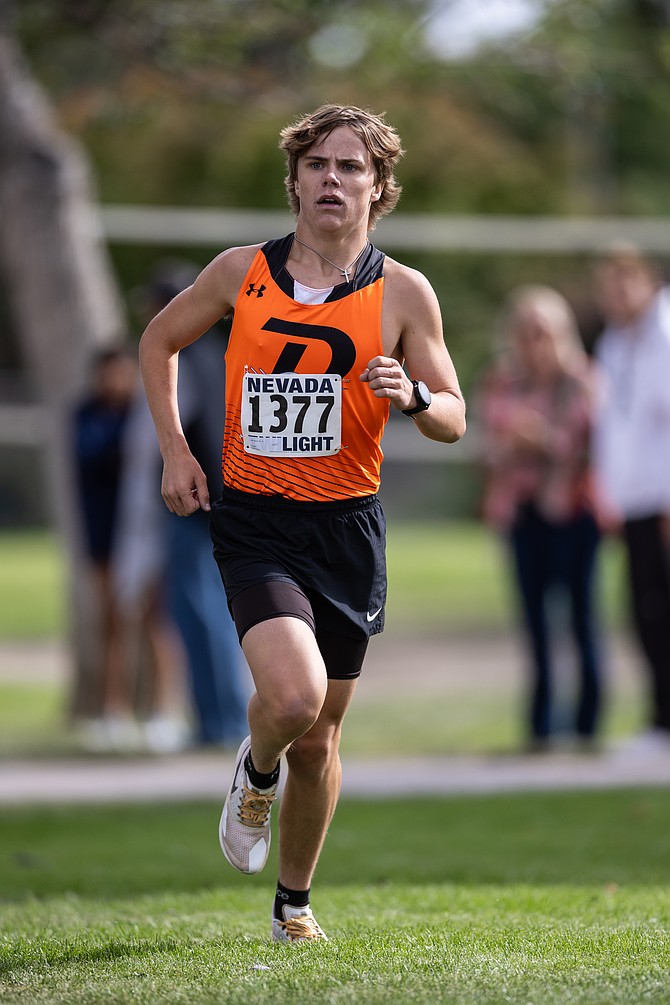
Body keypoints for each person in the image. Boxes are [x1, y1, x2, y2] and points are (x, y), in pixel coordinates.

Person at [138, 103, 466, 942]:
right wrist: (177, 451)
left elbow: (454, 416)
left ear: (378, 188)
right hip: (255, 521)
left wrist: (416, 395)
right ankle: (254, 772)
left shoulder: (404, 293)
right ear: (293, 182)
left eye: (351, 167)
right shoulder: (239, 271)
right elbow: (157, 342)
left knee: (320, 740)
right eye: (318, 163)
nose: (332, 178)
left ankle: (293, 905)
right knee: (292, 697)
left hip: (347, 530)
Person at [116, 264, 251, 749]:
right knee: (221, 609)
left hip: (193, 504)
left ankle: (221, 721)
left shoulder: (179, 360)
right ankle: (225, 717)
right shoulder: (224, 354)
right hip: (234, 496)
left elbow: (152, 441)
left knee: (198, 609)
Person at [476, 285, 603, 751]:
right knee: (535, 624)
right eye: (525, 332)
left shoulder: (583, 379)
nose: (533, 342)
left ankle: (588, 727)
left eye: (542, 332)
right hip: (523, 512)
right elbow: (488, 442)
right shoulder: (502, 380)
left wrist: (541, 439)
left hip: (573, 511)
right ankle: (541, 728)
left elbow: (590, 447)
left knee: (581, 618)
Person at [73, 345, 183, 752]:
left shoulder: (143, 415)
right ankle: (111, 711)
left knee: (158, 622)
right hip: (106, 537)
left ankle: (162, 711)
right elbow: (94, 461)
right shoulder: (88, 416)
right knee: (112, 623)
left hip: (147, 530)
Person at [592, 244, 670, 754]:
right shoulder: (614, 344)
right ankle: (662, 719)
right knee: (645, 613)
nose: (617, 293)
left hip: (663, 501)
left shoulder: (664, 335)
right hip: (633, 503)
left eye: (626, 281)